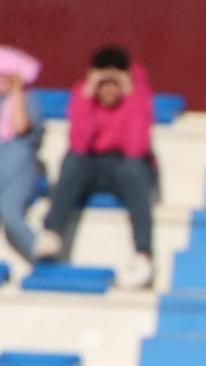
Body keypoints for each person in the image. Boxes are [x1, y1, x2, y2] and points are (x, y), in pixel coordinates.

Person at [33, 46, 156, 288]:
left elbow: (136, 147)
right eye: (103, 83)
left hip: (125, 166)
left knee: (133, 168)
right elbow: (79, 144)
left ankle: (143, 255)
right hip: (91, 165)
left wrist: (129, 97)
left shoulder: (137, 97)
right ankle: (52, 234)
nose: (108, 90)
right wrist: (88, 98)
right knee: (74, 162)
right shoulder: (83, 94)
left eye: (114, 83)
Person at [0, 46, 43, 262]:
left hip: (18, 170)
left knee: (11, 215)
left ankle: (42, 261)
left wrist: (16, 92)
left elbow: (20, 126)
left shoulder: (27, 100)